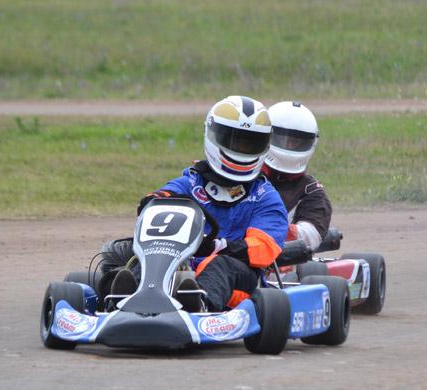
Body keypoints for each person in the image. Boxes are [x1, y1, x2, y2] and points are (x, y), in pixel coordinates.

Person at [103, 96, 288, 312]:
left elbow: (264, 248)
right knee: (146, 260)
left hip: (237, 279)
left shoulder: (265, 197)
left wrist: (219, 246)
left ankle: (198, 304)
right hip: (179, 265)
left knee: (221, 266)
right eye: (233, 140)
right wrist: (153, 201)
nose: (240, 150)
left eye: (250, 144)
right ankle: (122, 301)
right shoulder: (192, 181)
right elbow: (159, 199)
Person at [261, 101, 331, 252]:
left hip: (281, 261)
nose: (289, 146)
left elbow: (311, 233)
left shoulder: (310, 190)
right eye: (282, 139)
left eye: (296, 142)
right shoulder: (247, 176)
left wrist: (274, 231)